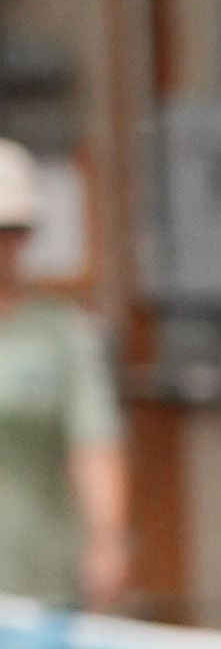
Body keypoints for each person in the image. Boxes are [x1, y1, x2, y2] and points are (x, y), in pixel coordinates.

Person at [0, 138, 126, 609]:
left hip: (38, 577)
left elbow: (93, 443)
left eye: (11, 229)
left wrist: (107, 540)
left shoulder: (63, 335)